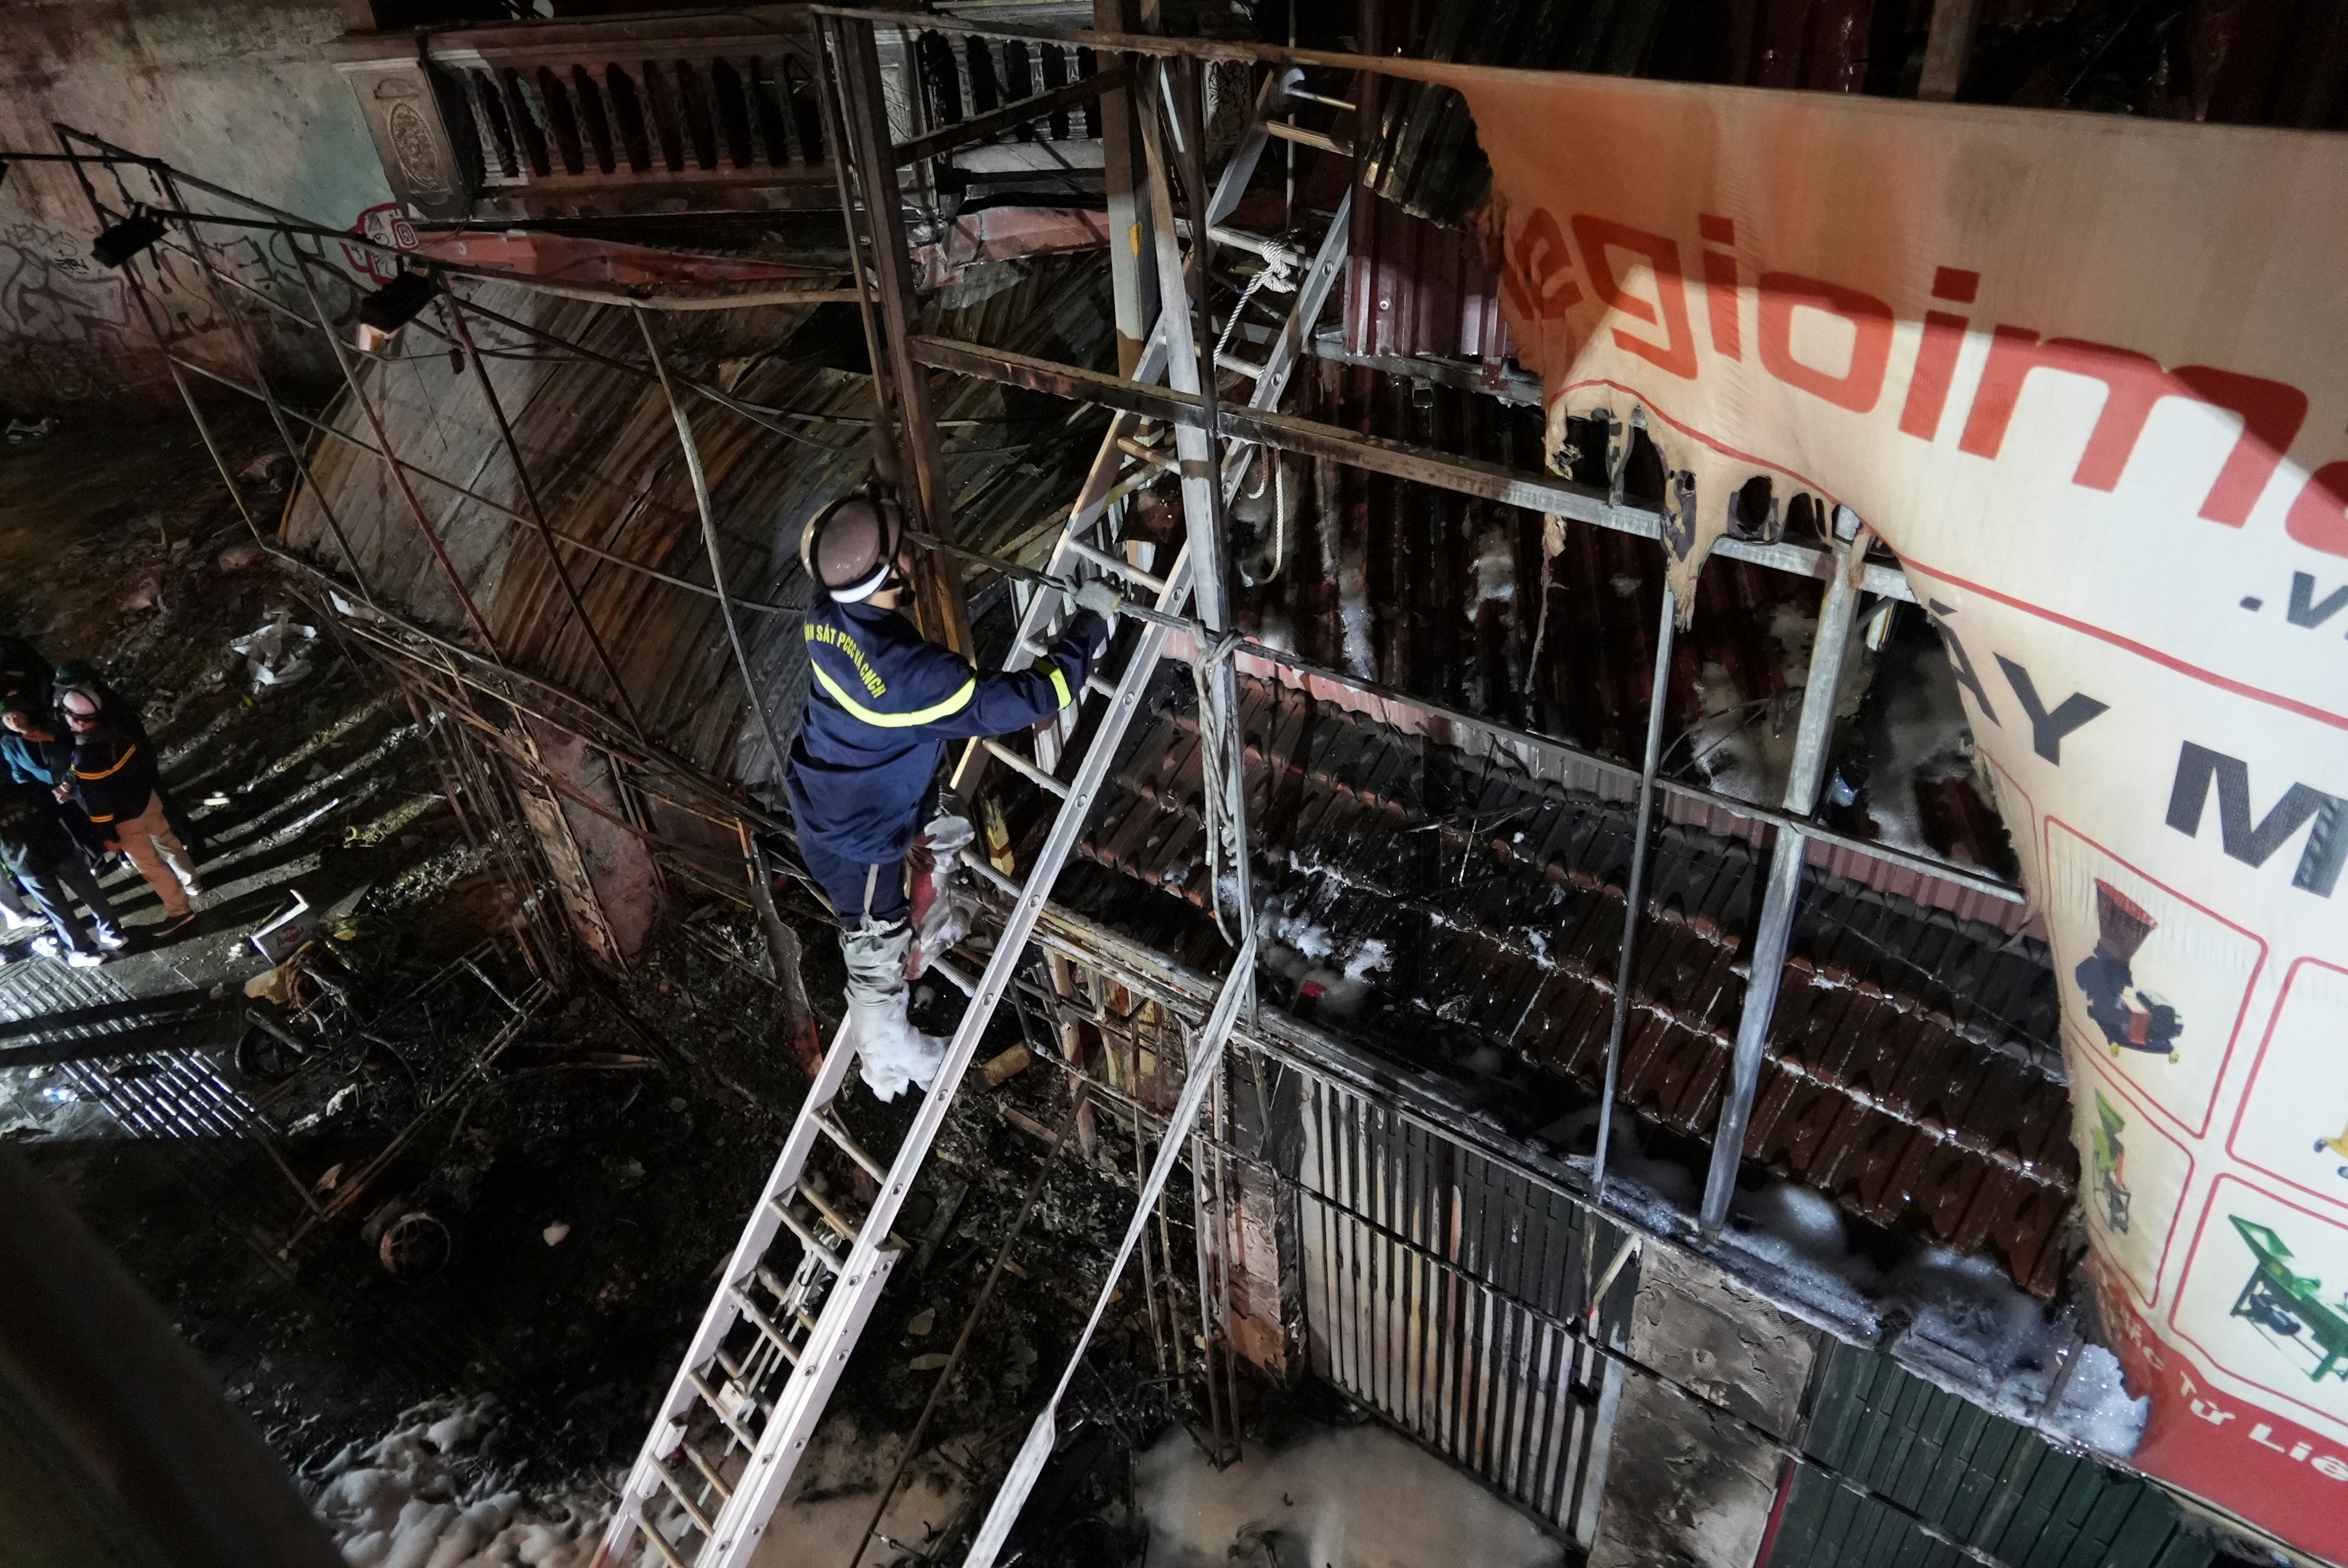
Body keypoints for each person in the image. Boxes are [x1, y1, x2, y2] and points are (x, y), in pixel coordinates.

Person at [786, 488, 1119, 1100]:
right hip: (857, 840)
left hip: (833, 793)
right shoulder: (914, 681)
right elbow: (1034, 698)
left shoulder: (825, 617)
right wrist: (1089, 627)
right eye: (904, 553)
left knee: (945, 824)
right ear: (887, 574)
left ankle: (928, 929)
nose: (914, 556)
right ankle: (889, 1057)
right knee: (872, 941)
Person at [58, 698, 202, 936]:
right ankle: (192, 883)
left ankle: (180, 911)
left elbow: (98, 802)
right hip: (149, 802)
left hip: (127, 820)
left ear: (76, 720)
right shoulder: (117, 733)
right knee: (169, 841)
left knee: (151, 866)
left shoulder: (86, 756)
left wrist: (108, 835)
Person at [0, 778, 122, 966]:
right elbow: (56, 810)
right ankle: (114, 934)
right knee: (92, 894)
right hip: (61, 849)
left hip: (28, 865)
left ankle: (87, 953)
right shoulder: (30, 788)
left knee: (59, 911)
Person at [2, 706, 111, 862]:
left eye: (15, 715)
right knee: (71, 825)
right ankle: (96, 860)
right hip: (50, 790)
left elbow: (77, 751)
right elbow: (19, 773)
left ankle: (120, 851)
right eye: (7, 719)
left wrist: (67, 783)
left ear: (25, 713)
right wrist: (44, 793)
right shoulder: (9, 743)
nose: (13, 722)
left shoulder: (51, 726)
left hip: (77, 778)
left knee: (98, 815)